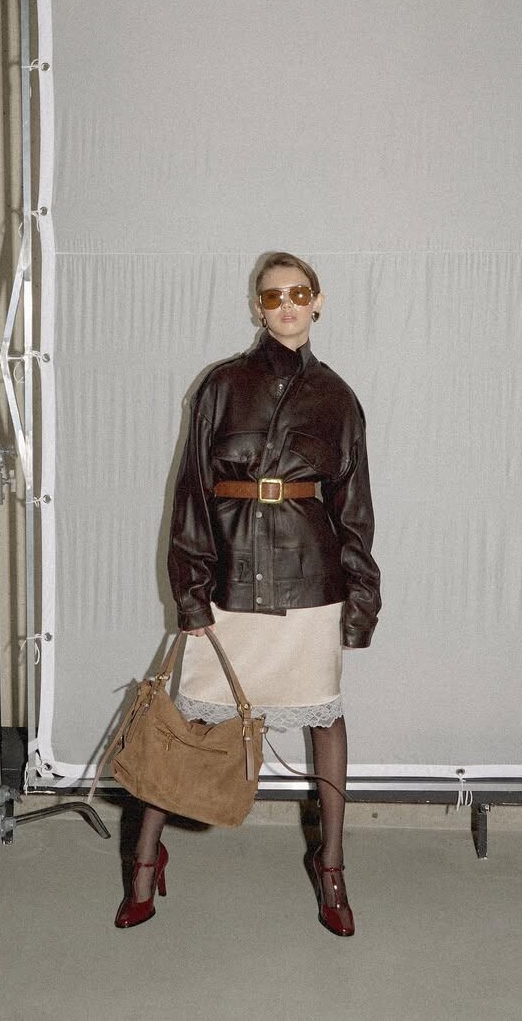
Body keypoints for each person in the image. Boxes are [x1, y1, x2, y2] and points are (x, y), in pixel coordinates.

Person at [114, 252, 382, 936]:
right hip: (230, 575)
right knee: (189, 722)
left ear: (318, 300)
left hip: (310, 580)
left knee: (325, 719)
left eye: (298, 293)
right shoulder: (222, 385)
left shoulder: (339, 397)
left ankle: (332, 867)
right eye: (272, 296)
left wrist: (361, 599)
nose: (286, 305)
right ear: (256, 307)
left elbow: (354, 509)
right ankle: (145, 857)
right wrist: (191, 592)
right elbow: (190, 494)